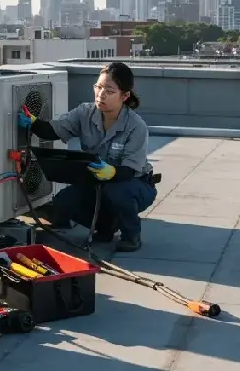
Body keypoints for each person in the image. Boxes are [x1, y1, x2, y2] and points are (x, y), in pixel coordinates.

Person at [17, 62, 156, 252]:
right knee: (63, 202)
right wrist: (33, 122)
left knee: (117, 193)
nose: (101, 95)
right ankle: (106, 226)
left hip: (134, 183)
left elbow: (129, 171)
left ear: (125, 96)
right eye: (98, 87)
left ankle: (131, 235)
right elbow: (54, 130)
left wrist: (112, 172)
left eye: (109, 90)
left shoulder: (136, 126)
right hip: (96, 181)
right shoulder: (85, 113)